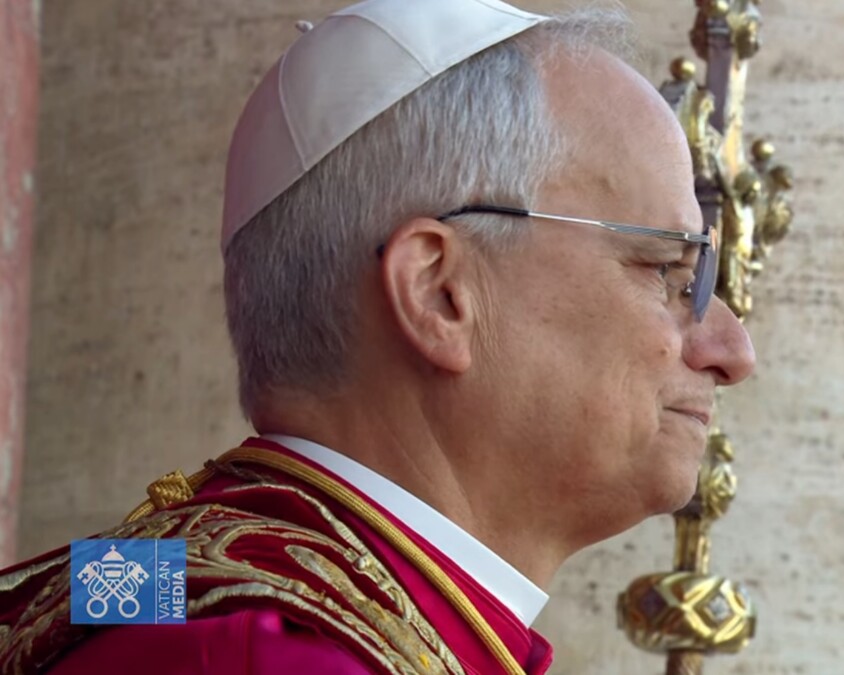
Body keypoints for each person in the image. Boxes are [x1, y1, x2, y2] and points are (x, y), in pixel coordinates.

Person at [0, 0, 755, 672]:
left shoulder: (180, 589)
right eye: (668, 270)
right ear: (439, 293)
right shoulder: (264, 656)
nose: (733, 351)